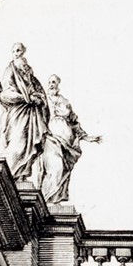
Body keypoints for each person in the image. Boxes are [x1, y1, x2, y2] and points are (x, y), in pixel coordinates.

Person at [38, 76, 100, 207]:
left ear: (58, 84)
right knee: (55, 167)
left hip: (67, 144)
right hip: (50, 139)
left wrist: (86, 137)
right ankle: (46, 200)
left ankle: (55, 201)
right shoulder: (43, 100)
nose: (51, 85)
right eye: (49, 82)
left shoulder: (65, 102)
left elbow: (74, 123)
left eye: (54, 82)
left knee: (64, 171)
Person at [0, 45, 49, 185]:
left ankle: (21, 176)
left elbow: (41, 94)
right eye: (14, 51)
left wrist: (39, 99)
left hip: (32, 115)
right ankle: (6, 177)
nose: (16, 53)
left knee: (29, 146)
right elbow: (5, 94)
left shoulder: (30, 76)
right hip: (18, 115)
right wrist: (27, 98)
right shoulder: (10, 71)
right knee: (18, 145)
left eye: (19, 51)